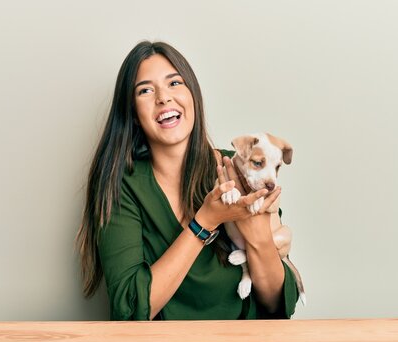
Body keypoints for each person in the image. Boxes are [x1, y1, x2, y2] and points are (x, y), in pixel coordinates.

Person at [76, 41, 299, 320]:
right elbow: (130, 310)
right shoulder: (122, 186)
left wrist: (256, 231)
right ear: (133, 113)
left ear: (193, 95)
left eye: (175, 83)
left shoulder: (239, 168)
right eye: (145, 90)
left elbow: (278, 304)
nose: (163, 98)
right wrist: (204, 222)